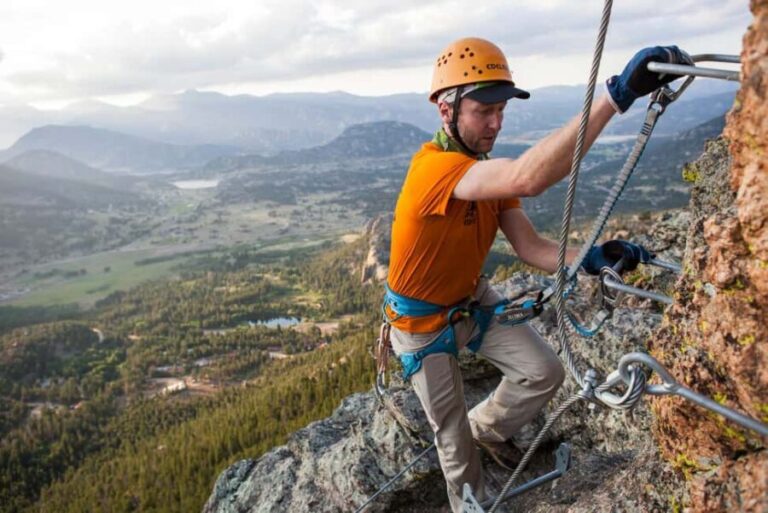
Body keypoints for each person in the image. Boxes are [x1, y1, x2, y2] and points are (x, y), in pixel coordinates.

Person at [383, 37, 688, 511]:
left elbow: (532, 247)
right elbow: (530, 176)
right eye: (484, 110)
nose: (496, 123)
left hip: (468, 300)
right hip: (421, 326)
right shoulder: (435, 171)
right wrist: (616, 95)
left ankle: (489, 428)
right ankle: (472, 505)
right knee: (453, 441)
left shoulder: (480, 171)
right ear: (447, 110)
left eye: (500, 109)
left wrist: (590, 257)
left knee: (543, 371)